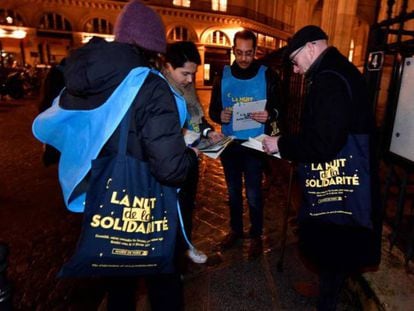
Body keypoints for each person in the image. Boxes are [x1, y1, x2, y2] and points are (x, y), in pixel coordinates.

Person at [33, 1, 198, 310]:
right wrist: (189, 157)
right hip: (144, 207)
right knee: (164, 285)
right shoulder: (151, 86)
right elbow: (170, 168)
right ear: (154, 46)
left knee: (118, 290)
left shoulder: (89, 79)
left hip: (105, 203)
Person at [262, 25, 381, 310]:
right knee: (335, 247)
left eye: (295, 61)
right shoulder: (339, 70)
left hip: (340, 182)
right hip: (345, 174)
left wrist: (282, 145)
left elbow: (323, 141)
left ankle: (326, 301)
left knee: (334, 242)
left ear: (312, 48)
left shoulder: (329, 79)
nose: (296, 70)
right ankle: (326, 289)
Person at [209, 30, 282, 258]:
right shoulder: (223, 75)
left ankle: (256, 234)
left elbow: (282, 107)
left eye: (248, 53)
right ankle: (236, 231)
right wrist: (219, 116)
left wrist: (269, 114)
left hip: (255, 142)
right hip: (230, 143)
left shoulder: (268, 75)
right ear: (233, 50)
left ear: (255, 51)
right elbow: (213, 110)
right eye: (239, 52)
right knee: (232, 192)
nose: (243, 58)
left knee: (253, 193)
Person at [163, 41, 223, 264]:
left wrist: (208, 131)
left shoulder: (186, 87)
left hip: (192, 155)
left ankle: (186, 245)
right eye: (185, 73)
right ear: (168, 66)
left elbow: (195, 116)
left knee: (187, 205)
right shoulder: (160, 90)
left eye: (193, 74)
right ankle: (172, 256)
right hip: (173, 160)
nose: (190, 80)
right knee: (172, 209)